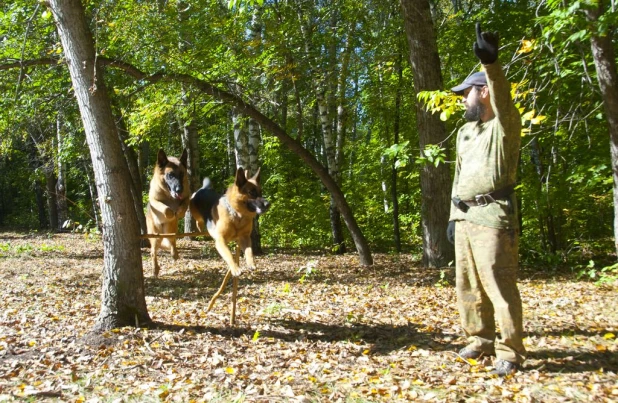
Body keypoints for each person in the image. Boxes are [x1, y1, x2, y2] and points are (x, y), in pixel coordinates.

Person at [447, 22, 525, 376]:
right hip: (464, 218)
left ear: (483, 93)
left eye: (467, 93)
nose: (463, 99)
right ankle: (480, 340)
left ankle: (509, 351)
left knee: (498, 284)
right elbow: (458, 176)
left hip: (493, 218)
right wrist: (452, 216)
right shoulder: (465, 132)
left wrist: (491, 66)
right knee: (467, 285)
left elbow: (504, 98)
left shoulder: (505, 126)